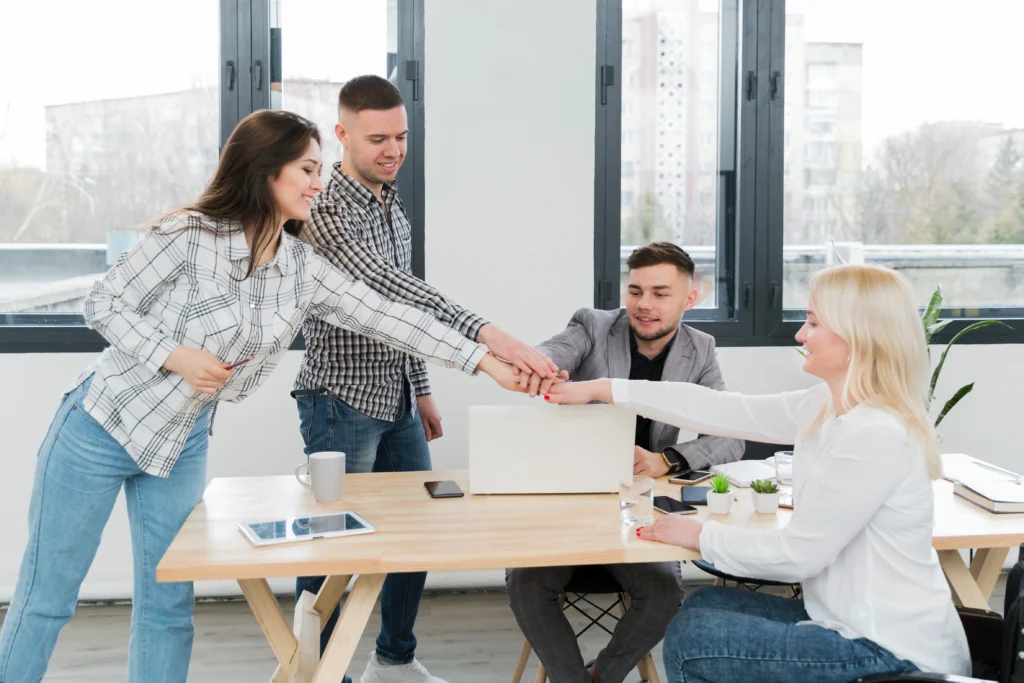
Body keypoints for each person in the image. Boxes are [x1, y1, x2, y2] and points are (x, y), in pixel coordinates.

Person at [0, 109, 531, 683]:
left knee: (169, 607)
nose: (318, 183)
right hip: (99, 429)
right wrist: (175, 356)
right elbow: (103, 303)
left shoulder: (302, 268)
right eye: (306, 169)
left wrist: (486, 363)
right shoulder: (188, 236)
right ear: (265, 170)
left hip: (182, 443)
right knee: (47, 599)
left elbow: (387, 316)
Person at [544, 264, 971, 682]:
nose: (801, 335)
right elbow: (717, 408)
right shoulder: (825, 406)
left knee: (694, 640)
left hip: (889, 651)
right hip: (847, 621)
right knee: (703, 604)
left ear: (857, 337)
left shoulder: (877, 433)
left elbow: (797, 556)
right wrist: (602, 388)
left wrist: (696, 535)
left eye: (814, 323)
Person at [292, 75, 556, 683]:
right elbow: (392, 292)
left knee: (416, 534)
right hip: (341, 399)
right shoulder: (328, 208)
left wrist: (423, 388)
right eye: (378, 137)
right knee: (330, 545)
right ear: (342, 135)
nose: (393, 149)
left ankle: (394, 662)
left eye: (402, 136)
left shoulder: (392, 202)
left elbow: (404, 322)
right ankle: (317, 672)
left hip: (399, 397)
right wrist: (486, 332)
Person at [505, 242, 743, 683]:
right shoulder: (593, 326)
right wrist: (544, 368)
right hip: (570, 501)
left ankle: (603, 675)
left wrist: (666, 459)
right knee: (525, 582)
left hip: (639, 506)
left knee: (664, 590)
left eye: (659, 293)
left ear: (689, 299)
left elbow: (729, 435)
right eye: (635, 291)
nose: (643, 305)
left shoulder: (701, 349)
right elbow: (552, 352)